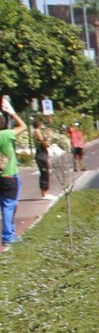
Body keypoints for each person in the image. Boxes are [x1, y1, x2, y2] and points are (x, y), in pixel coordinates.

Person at [1, 96, 24, 253]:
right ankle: (8, 237)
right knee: (9, 207)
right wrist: (12, 112)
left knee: (6, 206)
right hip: (10, 175)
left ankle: (11, 234)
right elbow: (22, 126)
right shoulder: (6, 134)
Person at [32, 121, 53, 200]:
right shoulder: (37, 132)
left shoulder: (37, 132)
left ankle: (45, 192)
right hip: (41, 156)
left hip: (42, 155)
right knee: (44, 174)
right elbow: (45, 144)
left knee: (46, 173)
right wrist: (49, 136)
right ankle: (44, 193)